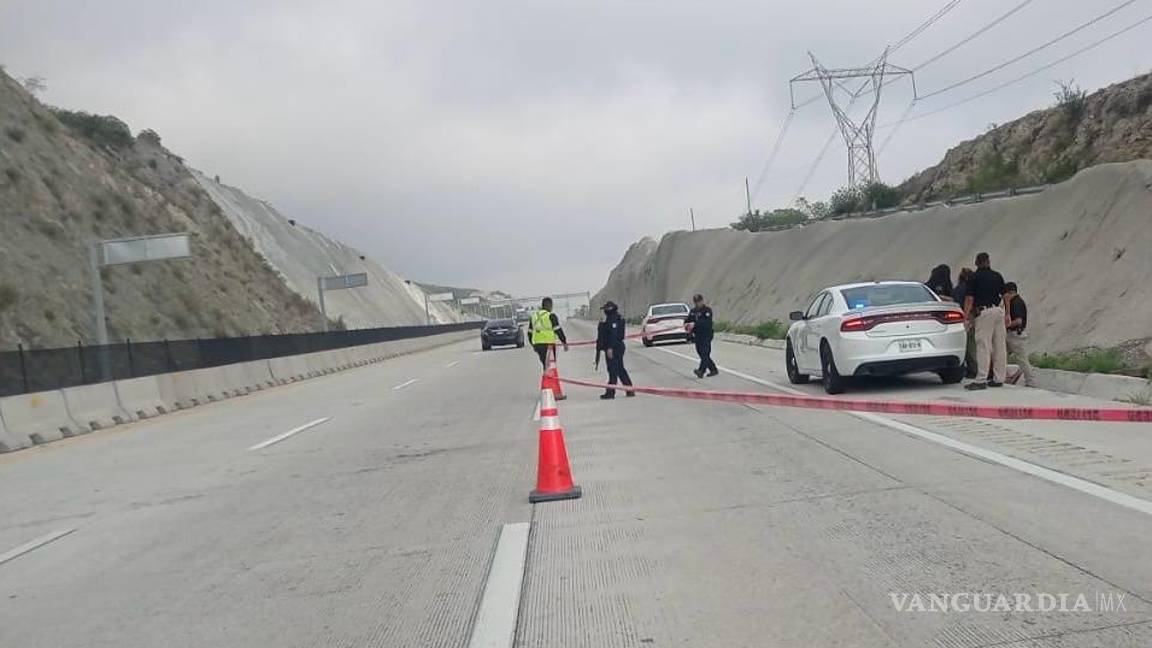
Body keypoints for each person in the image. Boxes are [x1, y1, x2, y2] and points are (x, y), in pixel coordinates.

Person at [963, 252, 1007, 390]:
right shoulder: (997, 276)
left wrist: (965, 316)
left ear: (977, 263)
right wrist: (1008, 314)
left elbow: (970, 299)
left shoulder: (974, 277)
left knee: (983, 345)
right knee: (999, 346)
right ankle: (999, 378)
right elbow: (1005, 295)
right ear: (988, 261)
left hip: (984, 312)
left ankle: (981, 379)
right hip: (998, 311)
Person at [595, 301, 634, 399]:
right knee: (620, 369)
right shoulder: (612, 318)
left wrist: (610, 348)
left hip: (615, 347)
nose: (604, 311)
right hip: (616, 346)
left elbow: (613, 335)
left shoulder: (613, 319)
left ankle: (610, 392)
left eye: (605, 309)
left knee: (613, 370)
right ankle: (629, 389)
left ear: (610, 309)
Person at [1003, 282, 1036, 387]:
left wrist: (1005, 326)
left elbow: (1018, 321)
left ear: (1011, 292)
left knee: (1022, 359)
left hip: (1015, 335)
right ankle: (1002, 376)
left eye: (1005, 294)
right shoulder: (1014, 302)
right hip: (1011, 334)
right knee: (1001, 355)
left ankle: (1031, 381)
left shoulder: (1016, 302)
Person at [528, 297, 568, 369]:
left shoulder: (534, 316)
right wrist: (564, 342)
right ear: (549, 305)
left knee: (545, 364)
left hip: (538, 345)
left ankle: (547, 377)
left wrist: (533, 345)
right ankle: (549, 379)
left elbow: (529, 333)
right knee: (550, 366)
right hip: (549, 345)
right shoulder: (551, 316)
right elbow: (558, 330)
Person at [952, 267, 978, 378]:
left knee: (968, 345)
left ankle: (973, 369)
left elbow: (957, 303)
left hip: (965, 317)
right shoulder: (975, 288)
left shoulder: (958, 289)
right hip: (977, 316)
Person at [685, 293, 718, 378]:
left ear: (702, 301)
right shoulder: (693, 311)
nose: (697, 304)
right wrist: (687, 325)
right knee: (701, 353)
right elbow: (688, 320)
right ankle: (713, 369)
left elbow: (707, 323)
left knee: (705, 353)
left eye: (699, 301)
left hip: (706, 335)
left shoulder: (707, 310)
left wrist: (695, 324)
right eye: (695, 302)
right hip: (697, 335)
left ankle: (701, 371)